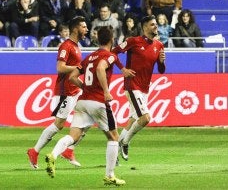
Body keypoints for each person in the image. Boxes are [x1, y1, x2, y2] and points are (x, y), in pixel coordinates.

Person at [45, 26, 127, 186]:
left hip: (82, 101)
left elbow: (73, 77)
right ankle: (110, 175)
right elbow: (101, 68)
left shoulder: (89, 57)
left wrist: (84, 88)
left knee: (73, 136)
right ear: (112, 40)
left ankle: (53, 155)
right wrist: (105, 91)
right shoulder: (109, 56)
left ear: (98, 39)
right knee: (114, 137)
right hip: (98, 102)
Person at [27, 16, 88, 169]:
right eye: (83, 27)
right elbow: (60, 68)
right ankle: (34, 151)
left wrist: (83, 85)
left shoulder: (76, 46)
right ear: (75, 28)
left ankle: (69, 150)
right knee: (59, 125)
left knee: (88, 117)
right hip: (64, 91)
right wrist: (78, 68)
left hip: (75, 90)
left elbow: (74, 70)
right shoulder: (66, 46)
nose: (86, 29)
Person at [111, 15, 166, 161]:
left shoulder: (159, 45)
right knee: (145, 118)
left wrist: (161, 62)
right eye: (152, 24)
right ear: (144, 27)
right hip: (132, 85)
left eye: (156, 24)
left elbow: (161, 70)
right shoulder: (133, 41)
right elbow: (113, 53)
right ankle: (125, 142)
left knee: (132, 120)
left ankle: (115, 150)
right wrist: (122, 69)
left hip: (144, 88)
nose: (156, 26)